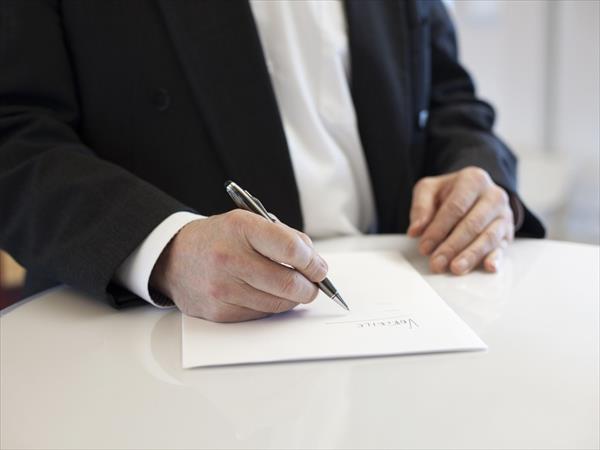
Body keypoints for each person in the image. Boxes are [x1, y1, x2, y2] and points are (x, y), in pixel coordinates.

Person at [0, 0, 544, 322]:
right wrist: (163, 249)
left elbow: (447, 94)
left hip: (400, 303)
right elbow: (14, 130)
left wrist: (478, 174)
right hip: (145, 334)